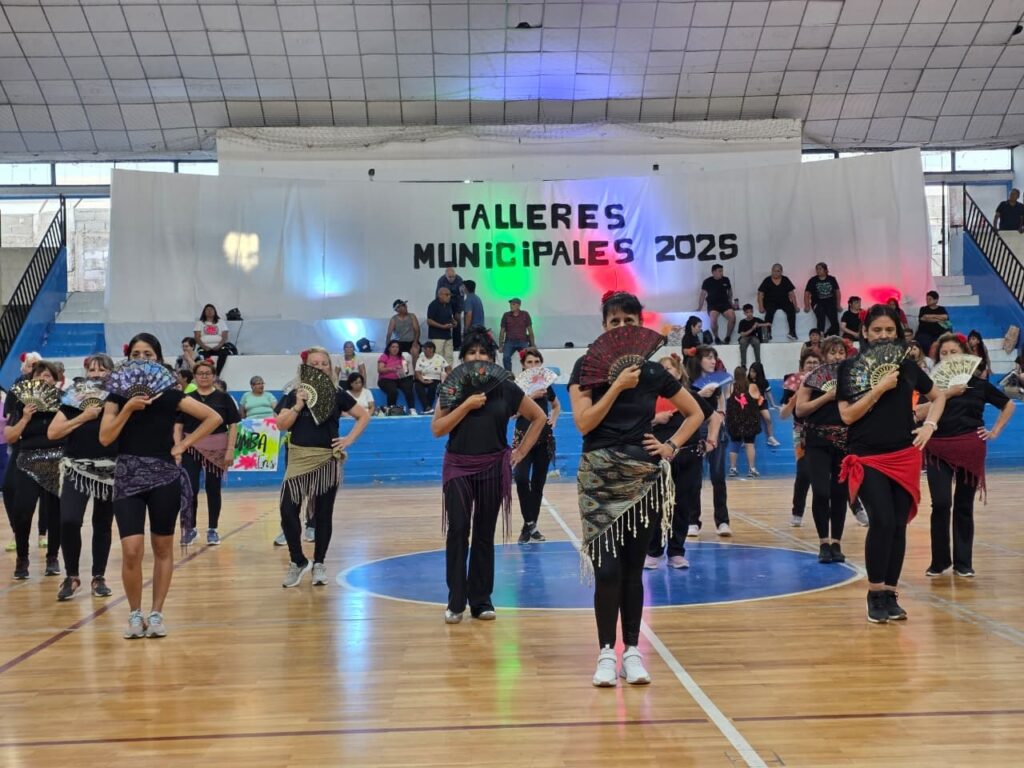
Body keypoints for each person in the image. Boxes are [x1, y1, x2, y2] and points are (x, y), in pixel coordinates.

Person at [569, 291, 704, 687]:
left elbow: (695, 413)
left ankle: (631, 651)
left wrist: (670, 446)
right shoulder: (585, 366)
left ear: (639, 325)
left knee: (632, 569)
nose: (622, 327)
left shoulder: (654, 371)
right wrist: (616, 386)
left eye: (629, 321)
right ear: (604, 327)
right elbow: (584, 423)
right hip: (597, 478)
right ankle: (605, 653)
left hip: (644, 477)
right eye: (614, 322)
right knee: (607, 569)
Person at [100, 333, 222, 639]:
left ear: (158, 359)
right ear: (128, 358)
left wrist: (184, 445)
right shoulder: (116, 396)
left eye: (148, 354)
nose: (142, 358)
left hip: (164, 476)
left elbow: (213, 417)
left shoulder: (170, 395)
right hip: (128, 475)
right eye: (136, 353)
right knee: (131, 550)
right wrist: (128, 408)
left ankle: (156, 613)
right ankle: (134, 614)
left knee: (163, 547)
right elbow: (105, 437)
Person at [836, 305, 946, 624]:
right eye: (877, 330)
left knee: (898, 525)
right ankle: (874, 594)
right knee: (882, 520)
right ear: (865, 333)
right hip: (867, 457)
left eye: (889, 330)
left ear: (897, 332)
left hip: (904, 455)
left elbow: (938, 397)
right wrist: (878, 389)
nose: (883, 335)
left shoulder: (908, 366)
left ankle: (890, 594)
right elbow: (847, 416)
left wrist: (930, 426)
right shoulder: (850, 368)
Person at [433, 327, 546, 623]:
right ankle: (456, 601)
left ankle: (481, 600)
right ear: (463, 358)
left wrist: (519, 452)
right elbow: (438, 429)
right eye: (471, 352)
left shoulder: (506, 387)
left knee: (484, 533)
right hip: (458, 466)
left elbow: (539, 417)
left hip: (493, 468)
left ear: (492, 358)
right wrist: (466, 405)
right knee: (458, 529)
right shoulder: (453, 386)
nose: (477, 357)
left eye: (483, 352)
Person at [919, 333, 1015, 578]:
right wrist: (947, 393)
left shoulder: (979, 385)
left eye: (954, 352)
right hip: (937, 449)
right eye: (944, 353)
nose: (949, 357)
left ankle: (963, 562)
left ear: (964, 354)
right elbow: (918, 413)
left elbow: (1009, 405)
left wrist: (994, 431)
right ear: (938, 358)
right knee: (941, 504)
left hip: (970, 449)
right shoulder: (931, 386)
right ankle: (939, 561)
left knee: (964, 505)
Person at [275, 347, 371, 588]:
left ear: (330, 367)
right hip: (298, 460)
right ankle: (298, 561)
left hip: (327, 460)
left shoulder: (338, 394)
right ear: (305, 368)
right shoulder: (293, 394)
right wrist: (298, 405)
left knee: (323, 514)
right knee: (287, 511)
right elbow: (281, 425)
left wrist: (348, 440)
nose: (319, 367)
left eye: (324, 363)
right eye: (314, 364)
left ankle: (319, 562)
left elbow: (363, 415)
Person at [47, 353, 117, 600]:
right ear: (86, 373)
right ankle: (72, 576)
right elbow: (53, 432)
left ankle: (99, 576)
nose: (96, 374)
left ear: (111, 373)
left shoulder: (118, 398)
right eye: (92, 370)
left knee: (102, 524)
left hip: (109, 469)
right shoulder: (74, 397)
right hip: (76, 468)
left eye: (102, 370)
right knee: (69, 520)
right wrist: (83, 417)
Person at [645, 356, 719, 570]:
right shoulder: (648, 399)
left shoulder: (690, 397)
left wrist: (711, 442)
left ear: (678, 373)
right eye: (660, 369)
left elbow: (715, 418)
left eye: (668, 368)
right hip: (657, 460)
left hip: (689, 459)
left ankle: (676, 552)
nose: (664, 372)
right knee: (655, 506)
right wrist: (656, 419)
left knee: (683, 506)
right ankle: (653, 552)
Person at [4, 360, 65, 580]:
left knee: (55, 511)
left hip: (55, 460)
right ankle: (22, 558)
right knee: (22, 510)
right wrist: (26, 417)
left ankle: (52, 557)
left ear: (55, 381)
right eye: (38, 375)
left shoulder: (64, 401)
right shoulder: (22, 402)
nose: (42, 379)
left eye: (47, 375)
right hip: (27, 459)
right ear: (31, 380)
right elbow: (10, 436)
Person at [796, 337, 850, 564]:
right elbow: (800, 409)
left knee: (840, 493)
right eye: (832, 352)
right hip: (816, 441)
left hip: (844, 442)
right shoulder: (812, 378)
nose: (837, 357)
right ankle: (823, 542)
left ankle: (836, 542)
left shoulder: (852, 377)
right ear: (824, 355)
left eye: (841, 352)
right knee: (821, 491)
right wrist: (827, 397)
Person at [175, 359, 240, 547]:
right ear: (194, 377)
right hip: (191, 448)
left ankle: (213, 529)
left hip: (217, 447)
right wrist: (178, 447)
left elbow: (233, 425)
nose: (204, 376)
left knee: (213, 489)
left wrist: (230, 450)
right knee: (190, 489)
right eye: (200, 373)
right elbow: (178, 425)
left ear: (214, 376)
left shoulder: (224, 398)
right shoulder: (186, 399)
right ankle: (190, 528)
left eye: (207, 373)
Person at [514, 348, 561, 545]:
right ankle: (530, 524)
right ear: (523, 365)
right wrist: (531, 397)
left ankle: (529, 527)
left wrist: (554, 419)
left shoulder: (546, 385)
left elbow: (556, 406)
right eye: (529, 362)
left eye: (536, 362)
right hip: (523, 439)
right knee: (521, 478)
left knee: (538, 484)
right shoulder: (516, 386)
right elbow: (512, 413)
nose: (533, 366)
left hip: (544, 439)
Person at [685, 345, 732, 537]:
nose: (713, 361)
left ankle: (723, 521)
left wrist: (721, 415)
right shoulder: (688, 382)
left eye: (714, 357)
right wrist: (698, 395)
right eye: (709, 357)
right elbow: (684, 407)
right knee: (694, 478)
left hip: (715, 429)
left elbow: (721, 404)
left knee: (718, 476)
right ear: (699, 360)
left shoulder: (716, 383)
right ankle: (692, 521)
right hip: (695, 430)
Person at [781, 349, 822, 527]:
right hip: (802, 433)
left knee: (837, 471)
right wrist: (796, 397)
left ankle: (856, 509)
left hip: (825, 430)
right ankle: (797, 513)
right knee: (804, 472)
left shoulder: (827, 382)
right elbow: (783, 414)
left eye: (816, 363)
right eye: (809, 363)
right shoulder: (793, 383)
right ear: (802, 367)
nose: (812, 366)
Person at [726, 367, 761, 478]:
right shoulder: (752, 386)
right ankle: (752, 469)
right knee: (750, 444)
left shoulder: (730, 387)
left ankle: (733, 468)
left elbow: (727, 399)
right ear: (745, 374)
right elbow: (758, 398)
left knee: (734, 443)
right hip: (749, 420)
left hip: (734, 420)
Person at [757, 263, 799, 341]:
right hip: (770, 302)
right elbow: (760, 293)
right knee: (769, 312)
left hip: (784, 301)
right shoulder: (767, 280)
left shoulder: (785, 279)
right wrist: (761, 307)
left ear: (781, 272)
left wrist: (796, 306)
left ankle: (792, 332)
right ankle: (767, 333)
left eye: (778, 271)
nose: (776, 273)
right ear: (771, 271)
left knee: (791, 310)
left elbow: (791, 294)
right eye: (774, 271)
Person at [697, 263, 735, 343]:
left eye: (722, 271)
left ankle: (727, 337)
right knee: (713, 318)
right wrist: (699, 308)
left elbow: (730, 291)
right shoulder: (707, 281)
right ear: (713, 272)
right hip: (713, 305)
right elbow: (702, 295)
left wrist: (730, 302)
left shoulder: (726, 279)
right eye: (719, 271)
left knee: (732, 317)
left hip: (725, 304)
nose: (722, 273)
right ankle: (716, 337)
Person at [377, 340, 417, 413]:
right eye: (393, 347)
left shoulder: (401, 357)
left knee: (408, 386)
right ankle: (391, 410)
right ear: (389, 348)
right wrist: (392, 369)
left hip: (399, 378)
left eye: (397, 347)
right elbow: (380, 369)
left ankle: (412, 409)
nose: (395, 349)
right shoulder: (384, 356)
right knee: (393, 391)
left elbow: (406, 371)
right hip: (385, 379)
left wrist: (405, 368)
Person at [804, 262, 841, 336]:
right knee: (821, 317)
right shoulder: (812, 280)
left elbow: (837, 292)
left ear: (825, 270)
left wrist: (838, 305)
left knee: (835, 322)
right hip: (818, 303)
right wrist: (807, 305)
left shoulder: (832, 279)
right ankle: (820, 335)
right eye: (817, 269)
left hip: (830, 302)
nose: (818, 271)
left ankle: (829, 335)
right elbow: (806, 293)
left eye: (820, 269)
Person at [748, 362, 780, 446]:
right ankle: (747, 439)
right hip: (751, 404)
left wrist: (773, 404)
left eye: (753, 372)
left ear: (758, 372)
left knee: (768, 418)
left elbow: (768, 393)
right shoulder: (747, 381)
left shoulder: (764, 382)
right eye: (750, 371)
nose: (751, 373)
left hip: (762, 403)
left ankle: (771, 437)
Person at [194, 304, 231, 376]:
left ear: (215, 311)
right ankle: (208, 374)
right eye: (207, 310)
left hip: (219, 347)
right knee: (202, 357)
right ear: (204, 312)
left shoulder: (221, 322)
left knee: (224, 353)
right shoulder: (200, 323)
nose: (209, 311)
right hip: (204, 347)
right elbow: (197, 337)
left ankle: (217, 374)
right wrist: (204, 347)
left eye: (211, 309)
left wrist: (219, 346)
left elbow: (225, 336)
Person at [499, 298, 535, 371]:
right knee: (506, 357)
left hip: (522, 341)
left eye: (513, 304)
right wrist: (500, 345)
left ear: (519, 305)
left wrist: (532, 345)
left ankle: (525, 374)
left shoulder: (525, 314)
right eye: (510, 304)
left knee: (527, 358)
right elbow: (502, 331)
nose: (511, 306)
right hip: (509, 342)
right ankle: (509, 375)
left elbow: (530, 331)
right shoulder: (506, 315)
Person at [414, 340, 448, 414]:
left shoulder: (439, 358)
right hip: (423, 378)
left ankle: (427, 408)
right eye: (424, 349)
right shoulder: (420, 358)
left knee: (433, 387)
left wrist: (447, 377)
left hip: (435, 378)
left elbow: (448, 368)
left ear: (432, 349)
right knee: (417, 386)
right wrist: (422, 380)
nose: (424, 351)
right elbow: (417, 372)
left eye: (426, 349)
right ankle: (427, 408)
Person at [426, 286, 457, 365]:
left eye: (450, 295)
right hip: (437, 336)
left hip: (448, 335)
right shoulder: (433, 305)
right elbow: (429, 321)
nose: (449, 297)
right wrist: (442, 326)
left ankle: (449, 372)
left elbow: (450, 317)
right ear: (440, 295)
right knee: (438, 357)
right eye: (447, 295)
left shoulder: (449, 304)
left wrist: (453, 321)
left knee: (449, 356)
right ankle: (439, 373)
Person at [436, 268, 465, 348]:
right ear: (445, 276)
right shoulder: (441, 280)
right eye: (450, 277)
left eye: (453, 277)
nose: (452, 279)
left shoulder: (460, 280)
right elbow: (438, 295)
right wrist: (439, 308)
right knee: (444, 322)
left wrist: (459, 311)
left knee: (457, 322)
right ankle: (445, 342)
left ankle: (457, 344)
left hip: (456, 302)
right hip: (445, 303)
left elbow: (462, 296)